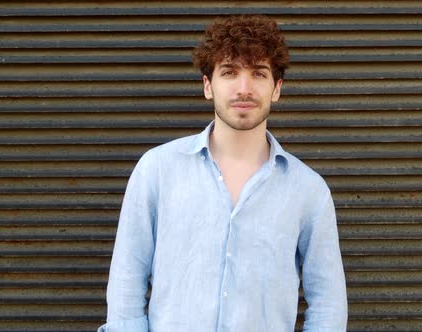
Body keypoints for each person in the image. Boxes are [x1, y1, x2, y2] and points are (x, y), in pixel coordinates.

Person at [98, 15, 347, 332]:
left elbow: (328, 302)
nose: (244, 88)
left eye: (258, 73)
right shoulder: (157, 169)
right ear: (207, 86)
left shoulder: (308, 190)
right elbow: (127, 280)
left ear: (277, 89)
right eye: (229, 72)